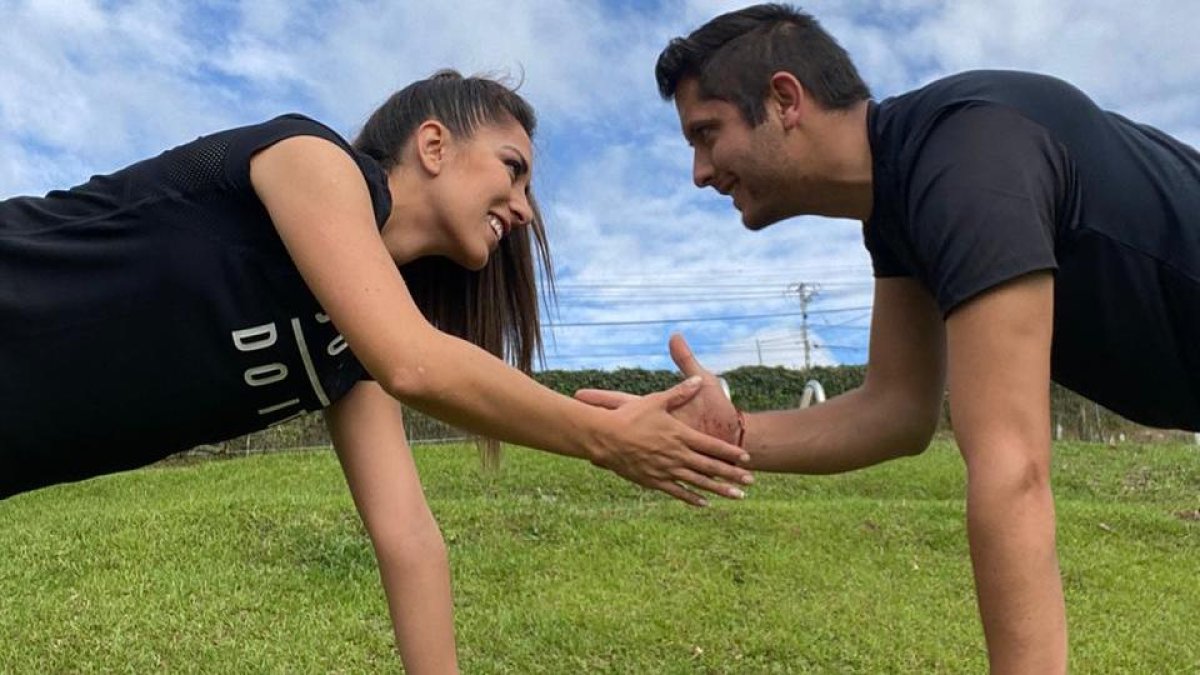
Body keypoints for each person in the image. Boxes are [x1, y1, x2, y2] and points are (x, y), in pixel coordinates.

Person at [0, 70, 754, 673]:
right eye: (513, 170)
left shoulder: (353, 350)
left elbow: (410, 540)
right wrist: (604, 435)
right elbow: (415, 362)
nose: (524, 208)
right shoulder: (312, 160)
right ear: (433, 143)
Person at [576, 4, 1200, 674]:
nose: (699, 171)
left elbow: (1012, 467)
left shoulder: (967, 157)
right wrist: (719, 438)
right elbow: (897, 410)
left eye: (707, 133)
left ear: (785, 100)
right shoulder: (903, 199)